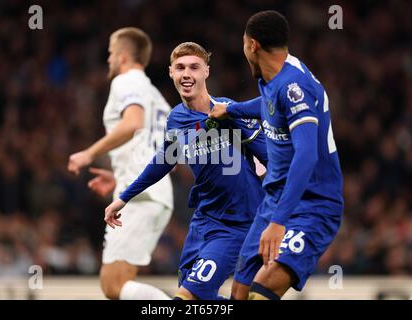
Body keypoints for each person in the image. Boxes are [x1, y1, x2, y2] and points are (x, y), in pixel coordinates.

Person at [104, 42, 268, 300]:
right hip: (203, 221)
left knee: (186, 297)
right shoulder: (177, 119)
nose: (186, 74)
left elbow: (272, 157)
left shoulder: (228, 110)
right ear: (171, 72)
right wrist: (124, 197)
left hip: (237, 224)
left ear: (206, 72)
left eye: (194, 67)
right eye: (180, 67)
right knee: (197, 298)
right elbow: (164, 161)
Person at [209, 10, 344, 300]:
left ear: (252, 45)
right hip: (275, 202)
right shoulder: (276, 76)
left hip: (312, 206)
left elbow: (306, 156)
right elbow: (271, 105)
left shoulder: (295, 87)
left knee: (263, 290)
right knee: (240, 293)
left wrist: (279, 222)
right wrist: (232, 109)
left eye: (243, 44)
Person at [67, 27, 174, 300]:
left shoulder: (126, 81)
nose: (108, 59)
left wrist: (89, 153)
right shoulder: (156, 97)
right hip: (151, 190)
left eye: (111, 53)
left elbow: (133, 123)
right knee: (119, 282)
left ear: (124, 56)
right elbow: (170, 154)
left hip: (139, 195)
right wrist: (121, 176)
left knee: (113, 284)